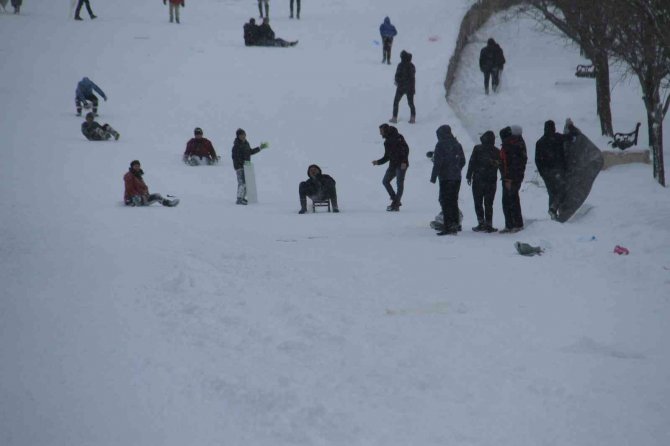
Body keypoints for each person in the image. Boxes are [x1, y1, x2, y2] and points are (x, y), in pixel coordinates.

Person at [430, 125, 465, 235]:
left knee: (445, 202)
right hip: (457, 178)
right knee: (453, 201)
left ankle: (448, 226)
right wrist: (456, 168)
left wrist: (434, 176)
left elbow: (437, 162)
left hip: (446, 177)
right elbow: (463, 160)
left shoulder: (440, 145)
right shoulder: (457, 144)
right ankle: (455, 224)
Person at [466, 130, 500, 232]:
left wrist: (469, 175)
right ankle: (489, 224)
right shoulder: (497, 151)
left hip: (478, 180)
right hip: (491, 181)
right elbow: (500, 165)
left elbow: (472, 162)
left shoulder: (477, 149)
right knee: (489, 203)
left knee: (478, 202)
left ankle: (481, 223)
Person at [373, 123, 409, 211]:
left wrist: (404, 162)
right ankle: (395, 200)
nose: (380, 133)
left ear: (385, 130)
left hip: (401, 165)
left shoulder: (398, 137)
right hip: (393, 165)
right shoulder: (386, 142)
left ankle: (395, 204)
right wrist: (378, 162)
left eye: (381, 131)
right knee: (385, 181)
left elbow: (406, 150)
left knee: (399, 183)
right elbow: (387, 156)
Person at [535, 120, 567, 220]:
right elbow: (570, 138)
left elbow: (537, 160)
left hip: (546, 172)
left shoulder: (540, 142)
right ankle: (554, 208)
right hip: (558, 170)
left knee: (552, 192)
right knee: (562, 190)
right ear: (554, 128)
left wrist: (542, 172)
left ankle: (553, 212)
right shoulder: (558, 138)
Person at [499, 125, 527, 233]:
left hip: (510, 178)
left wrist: (508, 178)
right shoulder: (518, 143)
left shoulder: (511, 145)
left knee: (510, 200)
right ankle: (512, 224)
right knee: (511, 199)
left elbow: (510, 164)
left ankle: (514, 224)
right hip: (514, 176)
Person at [231, 128, 268, 205]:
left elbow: (250, 152)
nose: (243, 136)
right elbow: (235, 157)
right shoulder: (236, 146)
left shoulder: (246, 144)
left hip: (247, 167)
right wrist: (242, 164)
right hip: (240, 167)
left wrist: (260, 148)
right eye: (241, 135)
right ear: (238, 136)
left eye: (244, 134)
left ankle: (242, 198)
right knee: (242, 183)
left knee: (246, 183)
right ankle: (239, 199)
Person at [390, 50, 416, 124]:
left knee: (396, 102)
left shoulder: (401, 65)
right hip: (410, 88)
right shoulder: (412, 66)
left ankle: (394, 118)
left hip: (401, 87)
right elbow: (411, 77)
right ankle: (413, 118)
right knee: (411, 103)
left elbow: (397, 75)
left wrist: (397, 81)